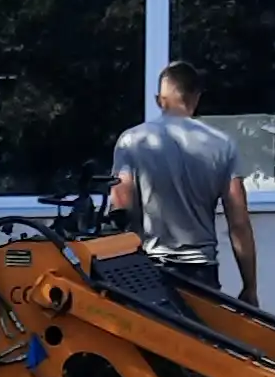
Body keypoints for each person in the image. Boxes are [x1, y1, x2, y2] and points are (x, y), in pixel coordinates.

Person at [109, 62, 262, 305]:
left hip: (148, 272)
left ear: (160, 100)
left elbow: (121, 206)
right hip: (202, 273)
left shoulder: (132, 141)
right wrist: (250, 287)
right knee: (200, 342)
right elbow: (239, 222)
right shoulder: (222, 144)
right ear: (196, 97)